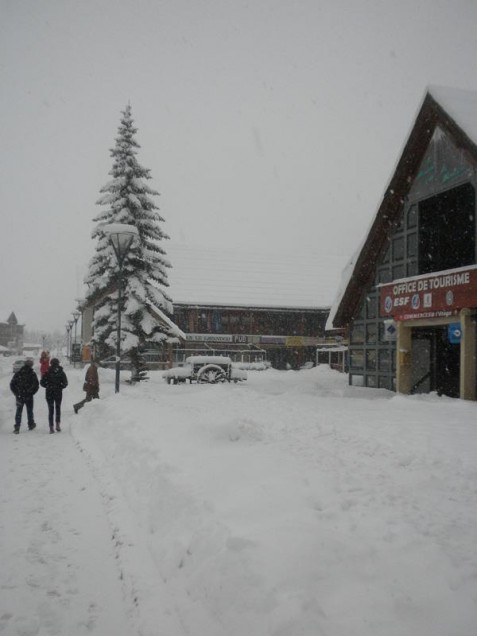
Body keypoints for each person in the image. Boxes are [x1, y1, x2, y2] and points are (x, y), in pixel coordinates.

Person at [10, 359, 39, 434]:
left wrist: (17, 393)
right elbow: (36, 385)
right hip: (29, 396)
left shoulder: (18, 373)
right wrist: (32, 392)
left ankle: (17, 427)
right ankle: (31, 424)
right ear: (31, 365)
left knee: (18, 411)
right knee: (29, 411)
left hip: (19, 396)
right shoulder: (32, 374)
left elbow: (12, 384)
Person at [40, 358, 68, 433]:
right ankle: (57, 425)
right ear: (58, 363)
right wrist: (60, 387)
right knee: (58, 408)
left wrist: (48, 386)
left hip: (49, 393)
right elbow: (65, 383)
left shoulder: (47, 372)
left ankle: (51, 427)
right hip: (58, 393)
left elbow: (42, 382)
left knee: (51, 410)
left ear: (51, 363)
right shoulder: (61, 372)